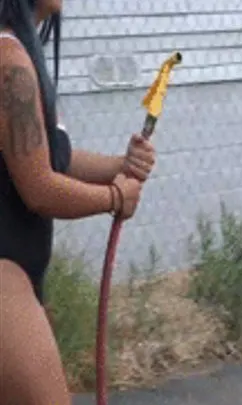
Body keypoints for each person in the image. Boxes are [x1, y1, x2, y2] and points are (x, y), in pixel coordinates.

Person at [0, 1, 157, 403]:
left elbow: (53, 158)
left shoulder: (19, 52)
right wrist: (115, 197)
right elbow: (40, 188)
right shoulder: (8, 61)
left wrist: (119, 165)